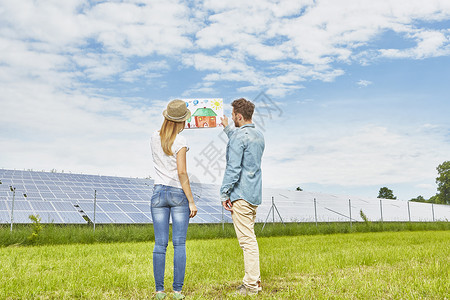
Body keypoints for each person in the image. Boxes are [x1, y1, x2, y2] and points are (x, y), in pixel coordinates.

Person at [150, 99, 198, 300]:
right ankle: (177, 291)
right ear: (180, 121)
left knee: (160, 244)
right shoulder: (181, 141)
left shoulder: (154, 137)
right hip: (177, 193)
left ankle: (160, 291)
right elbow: (181, 172)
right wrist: (191, 200)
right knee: (179, 244)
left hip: (158, 193)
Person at [220, 98, 265, 296]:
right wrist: (228, 128)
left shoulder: (240, 137)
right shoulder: (259, 135)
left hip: (241, 195)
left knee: (247, 242)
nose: (232, 118)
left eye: (232, 116)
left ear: (238, 116)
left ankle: (251, 286)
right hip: (254, 194)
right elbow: (242, 143)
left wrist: (224, 193)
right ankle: (256, 281)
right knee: (250, 238)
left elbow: (233, 168)